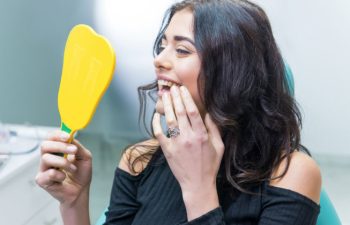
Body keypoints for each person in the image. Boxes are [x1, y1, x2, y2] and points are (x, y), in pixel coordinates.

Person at [35, 0, 322, 224]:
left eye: (182, 50)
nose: (158, 60)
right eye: (162, 46)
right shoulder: (139, 160)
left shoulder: (290, 173)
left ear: (234, 71)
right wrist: (74, 204)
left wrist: (198, 189)